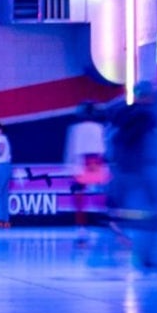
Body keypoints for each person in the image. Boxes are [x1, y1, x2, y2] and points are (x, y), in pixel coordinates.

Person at [107, 83, 157, 269]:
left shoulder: (120, 112)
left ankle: (117, 233)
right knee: (155, 209)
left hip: (121, 169)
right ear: (146, 96)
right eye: (151, 95)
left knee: (117, 208)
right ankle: (146, 256)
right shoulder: (146, 115)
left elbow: (112, 137)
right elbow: (151, 134)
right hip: (138, 169)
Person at [63, 102, 111, 246]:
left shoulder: (77, 129)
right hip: (93, 164)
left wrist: (69, 168)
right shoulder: (98, 128)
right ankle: (103, 222)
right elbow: (104, 149)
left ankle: (82, 227)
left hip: (84, 165)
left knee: (80, 199)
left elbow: (71, 150)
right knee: (99, 196)